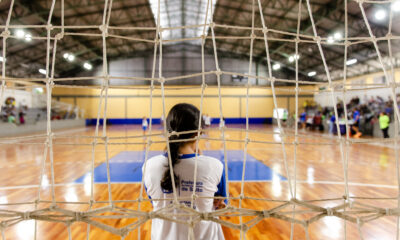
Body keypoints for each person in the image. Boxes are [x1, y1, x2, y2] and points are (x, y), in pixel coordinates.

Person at [143, 103, 226, 240]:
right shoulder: (215, 166)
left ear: (168, 129)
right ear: (198, 132)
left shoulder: (149, 166)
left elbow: (156, 202)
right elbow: (219, 205)